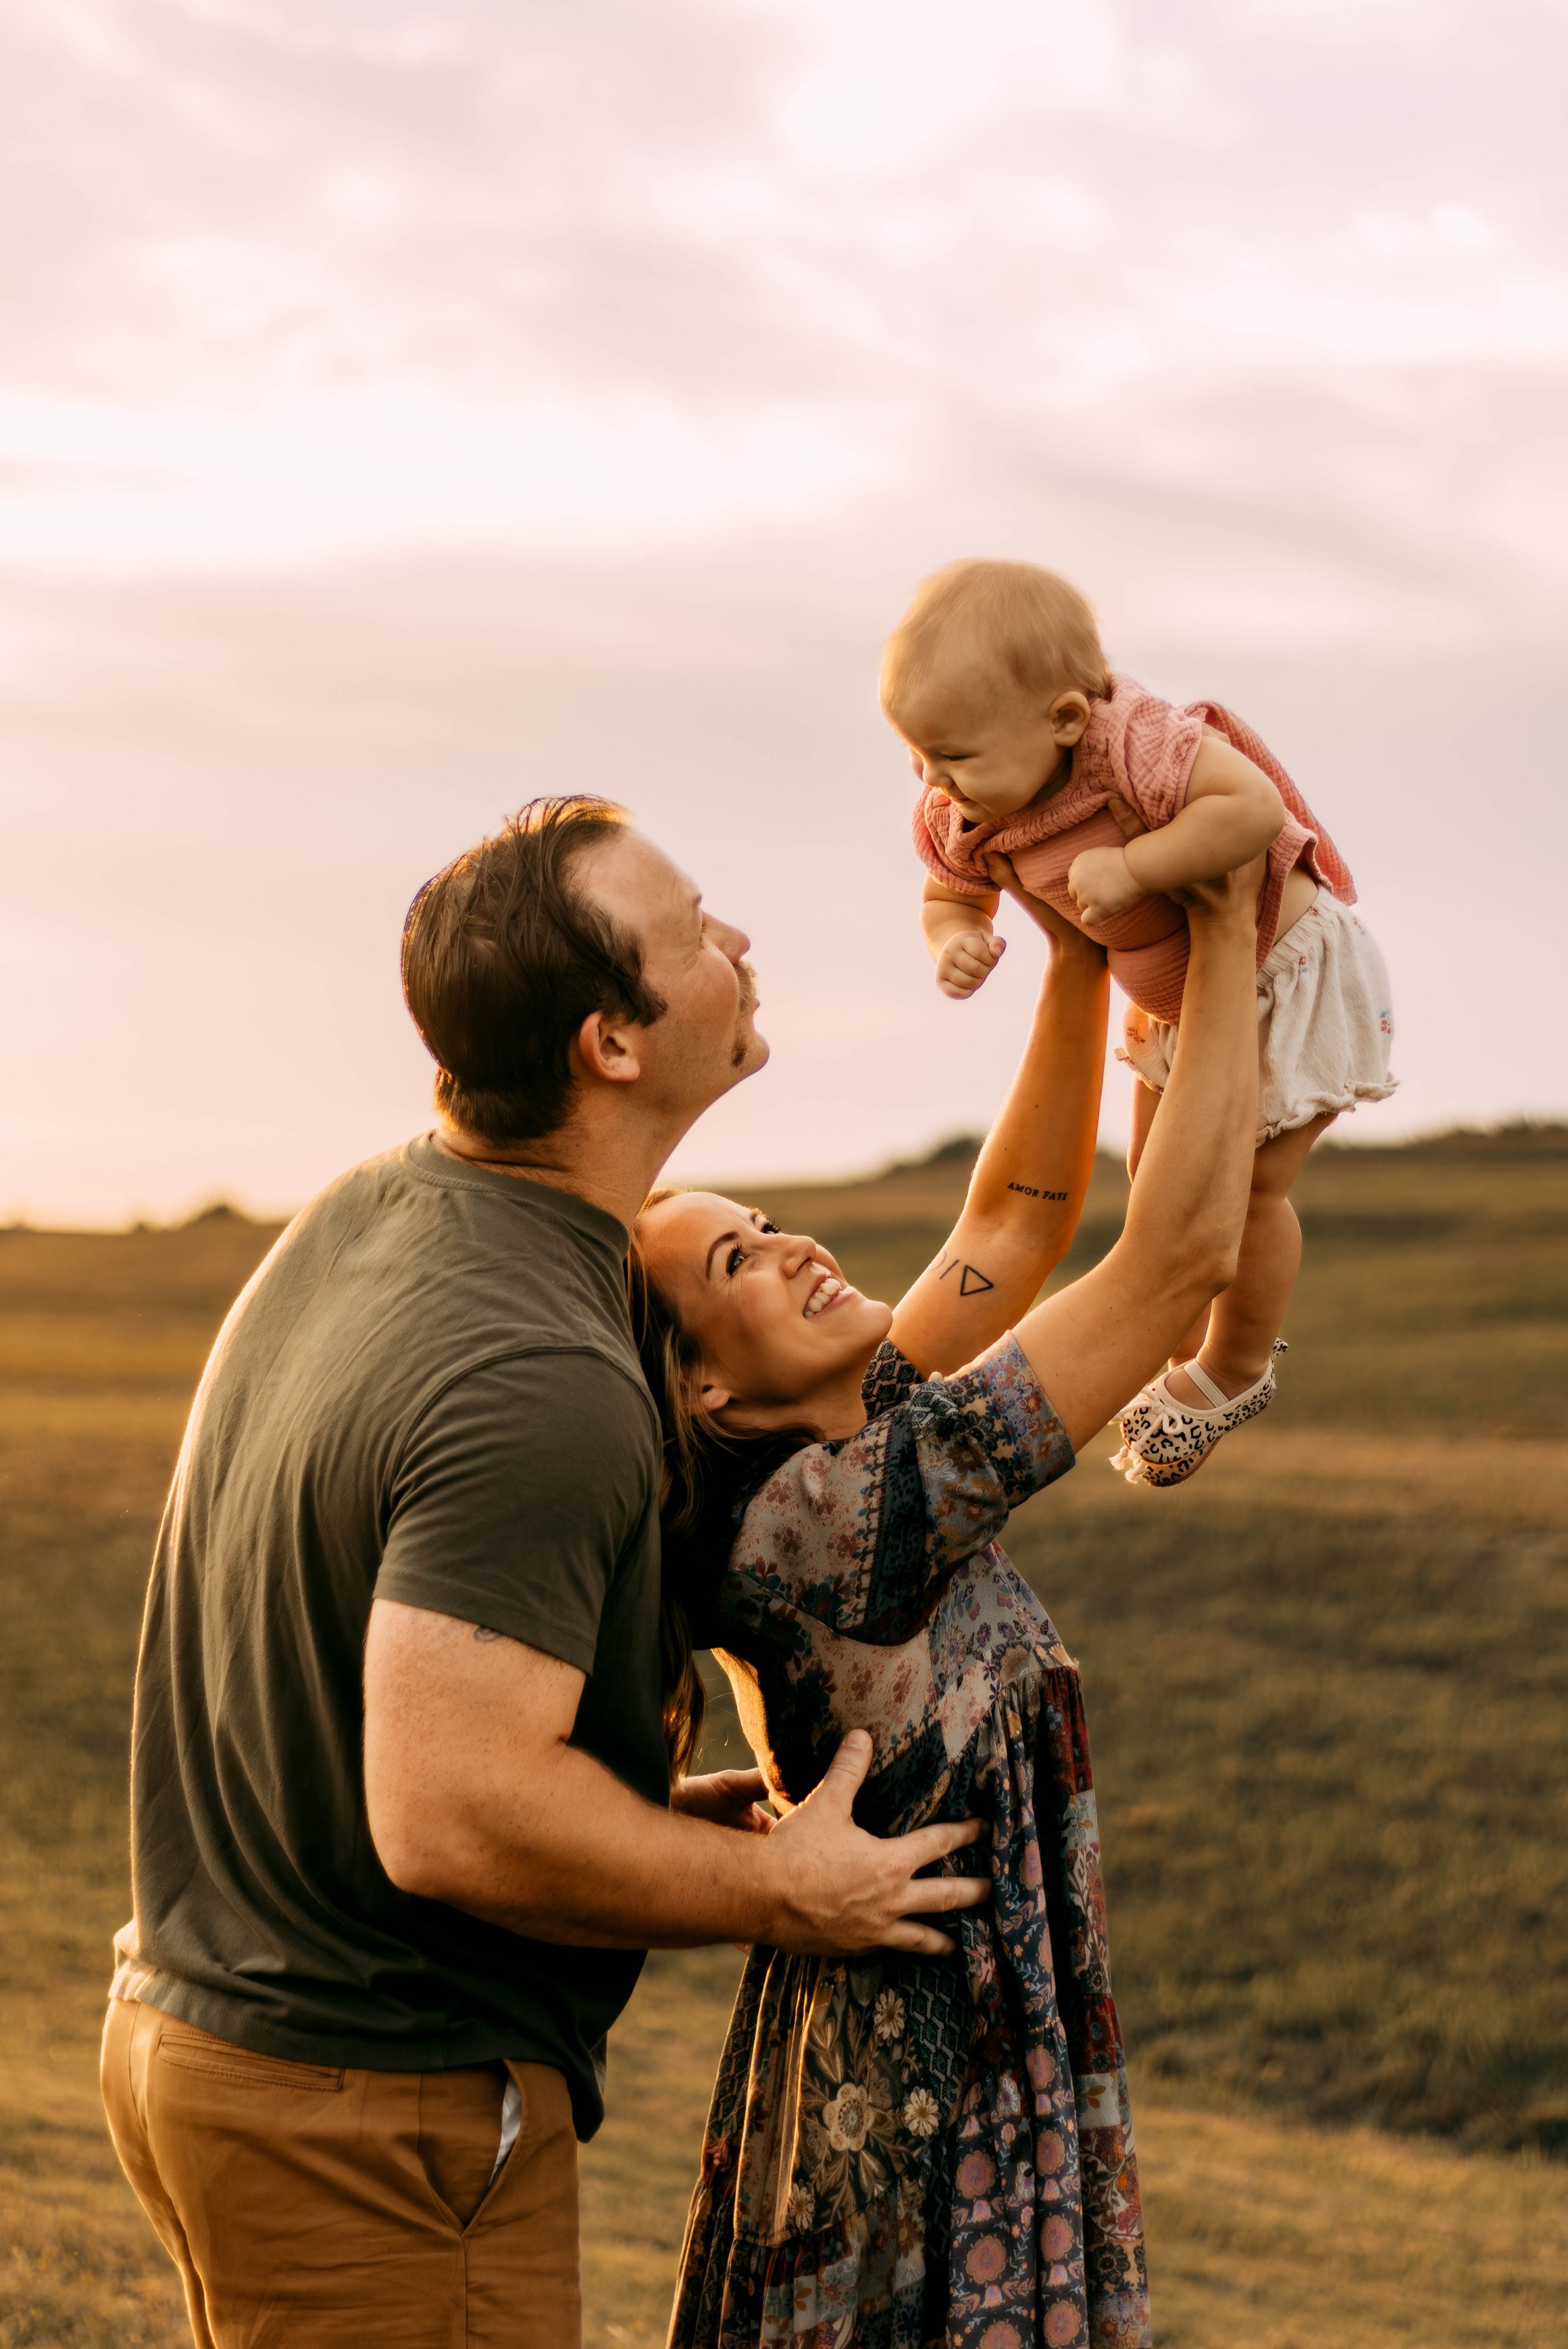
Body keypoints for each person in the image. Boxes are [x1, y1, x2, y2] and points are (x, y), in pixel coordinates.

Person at [101, 796, 990, 2349]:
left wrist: (628, 1824)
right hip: (372, 2113)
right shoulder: (541, 1374)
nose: (738, 945)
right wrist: (775, 1889)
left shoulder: (378, 1213)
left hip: (218, 2045)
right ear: (613, 1044)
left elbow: (401, 1703)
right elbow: (447, 1810)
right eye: (695, 929)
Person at [632, 855, 1264, 2349]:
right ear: (703, 1384)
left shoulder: (848, 1452)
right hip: (917, 2089)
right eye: (738, 1258)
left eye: (767, 1219)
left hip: (968, 2037)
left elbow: (1011, 1224)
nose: (792, 1245)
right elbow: (1173, 1263)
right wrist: (1226, 931)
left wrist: (1070, 960)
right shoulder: (833, 1519)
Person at [881, 556, 1396, 1489]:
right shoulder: (966, 803)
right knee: (1160, 1180)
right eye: (917, 755)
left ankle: (1235, 1366)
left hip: (1277, 973)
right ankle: (1188, 1340)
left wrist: (1140, 865)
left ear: (1065, 720)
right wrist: (951, 935)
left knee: (1243, 1186)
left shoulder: (1137, 747)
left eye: (954, 757)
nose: (933, 780)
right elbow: (946, 890)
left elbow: (1251, 809)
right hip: (1182, 1004)